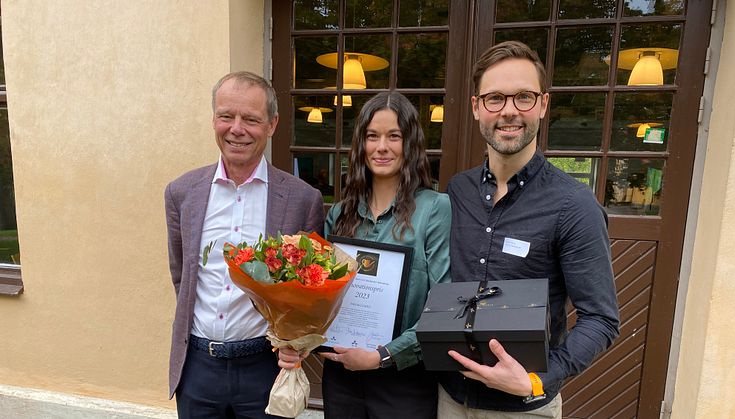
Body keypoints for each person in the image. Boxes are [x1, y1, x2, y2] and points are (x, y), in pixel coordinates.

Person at [439, 41, 620, 418]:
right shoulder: (458, 191)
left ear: (543, 104)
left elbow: (601, 319)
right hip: (449, 398)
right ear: (476, 107)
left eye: (523, 96)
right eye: (495, 99)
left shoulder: (573, 205)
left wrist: (539, 379)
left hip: (523, 408)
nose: (508, 111)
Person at [278, 91, 452, 418]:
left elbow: (441, 308)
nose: (381, 147)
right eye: (372, 136)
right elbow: (319, 299)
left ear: (410, 144)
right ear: (361, 144)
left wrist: (384, 356)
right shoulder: (340, 214)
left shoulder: (434, 209)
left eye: (393, 136)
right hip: (341, 378)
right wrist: (297, 341)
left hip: (404, 380)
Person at [164, 71, 324, 418]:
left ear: (272, 125)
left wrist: (299, 345)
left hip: (264, 369)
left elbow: (310, 295)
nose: (237, 129)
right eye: (226, 116)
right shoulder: (181, 193)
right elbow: (183, 275)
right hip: (197, 370)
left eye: (251, 119)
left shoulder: (301, 199)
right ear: (214, 119)